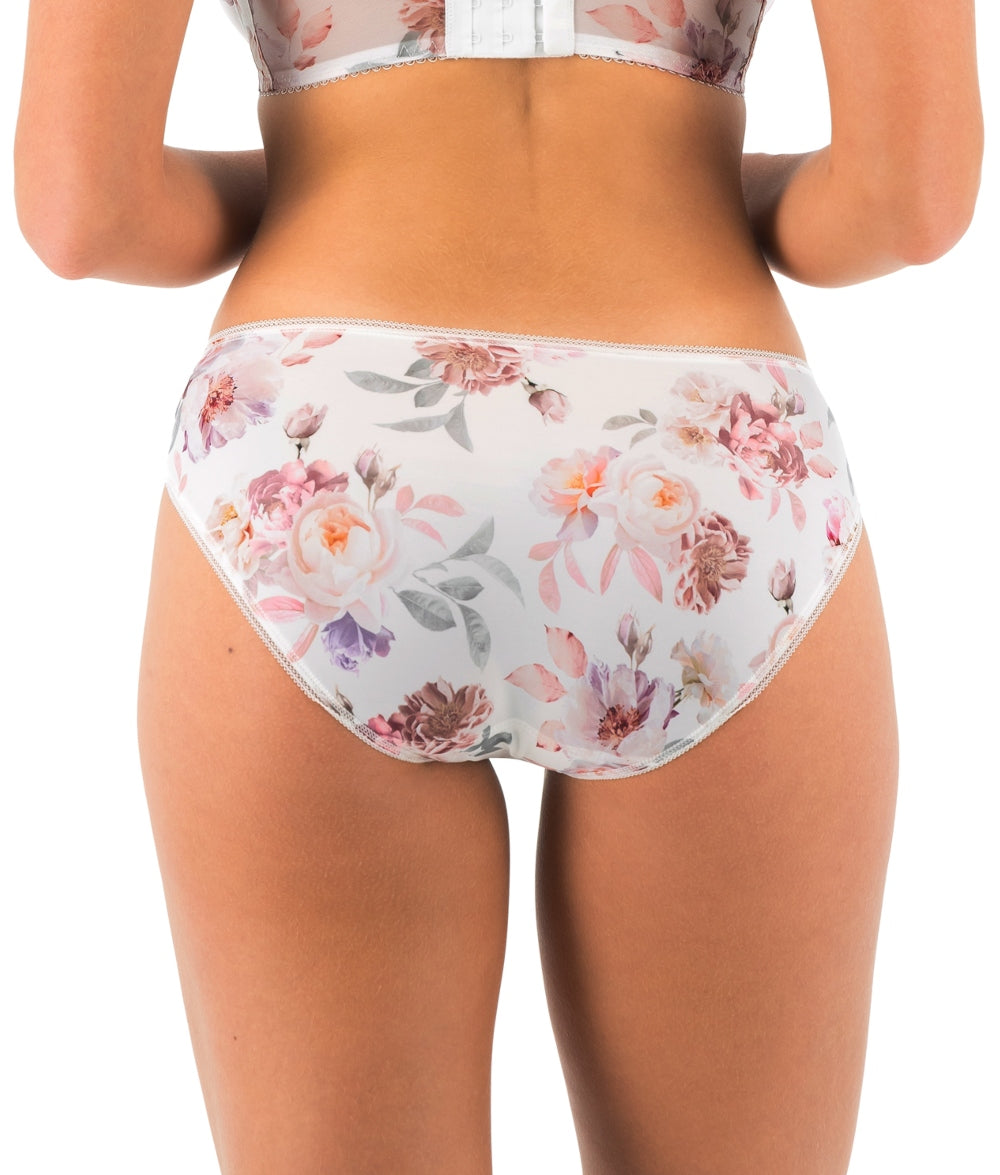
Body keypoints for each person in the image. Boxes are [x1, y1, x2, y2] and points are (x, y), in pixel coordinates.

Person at [13, 1, 983, 1172]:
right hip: (706, 445)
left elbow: (86, 210)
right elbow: (906, 198)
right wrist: (708, 174)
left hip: (327, 438)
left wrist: (319, 163)